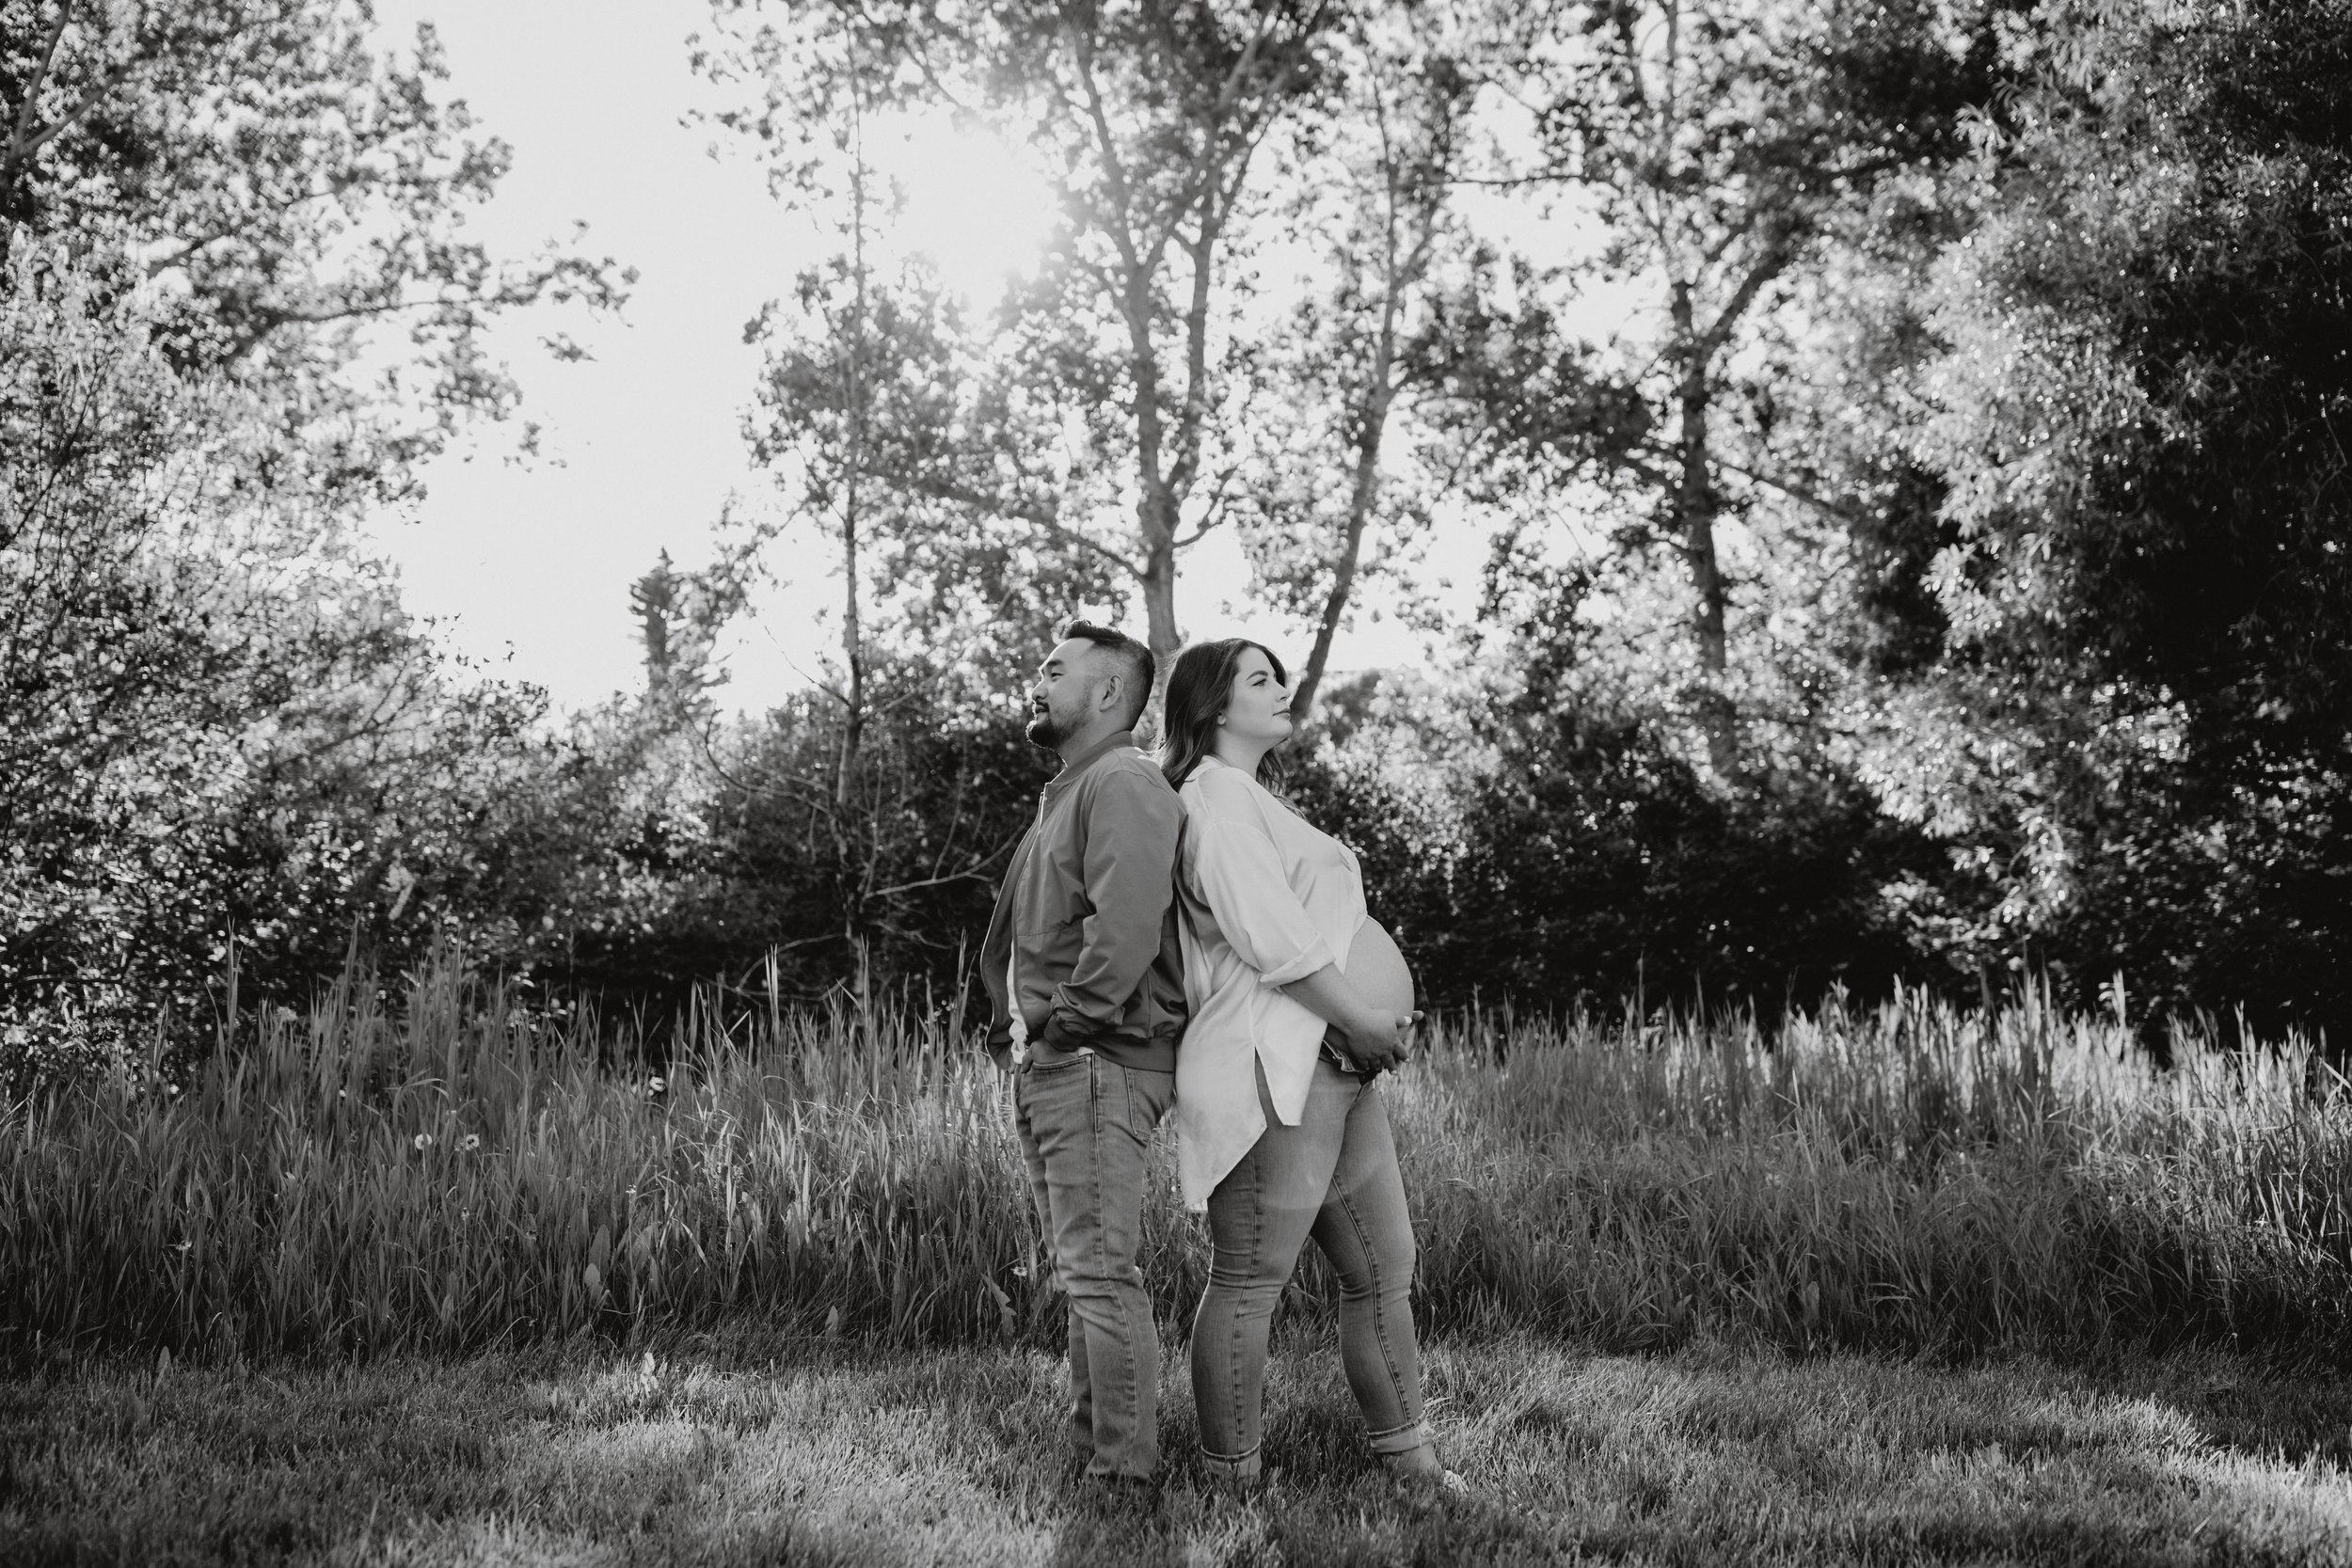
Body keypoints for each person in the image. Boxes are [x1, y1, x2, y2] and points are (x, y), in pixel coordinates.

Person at [1161, 637, 1463, 1494]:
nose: (1280, 688)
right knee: (1252, 1277)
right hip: (1276, 1063)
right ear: (1215, 706)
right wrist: (1364, 1018)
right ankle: (1231, 1482)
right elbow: (1275, 942)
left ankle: (1412, 1466)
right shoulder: (1215, 798)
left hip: (1334, 1063)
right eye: (1259, 679)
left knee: (1383, 1265)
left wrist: (1365, 1031)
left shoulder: (1253, 796)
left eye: (1278, 675)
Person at [978, 617, 1188, 1484]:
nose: (1036, 681)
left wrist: (1066, 1023)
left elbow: (1126, 924)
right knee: (1083, 1273)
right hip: (1060, 1059)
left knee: (1100, 1272)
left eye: (1053, 669)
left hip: (1098, 1057)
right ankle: (1095, 1455)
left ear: (1107, 692)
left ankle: (1123, 1473)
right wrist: (1029, 1037)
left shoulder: (1122, 781)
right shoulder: (1070, 791)